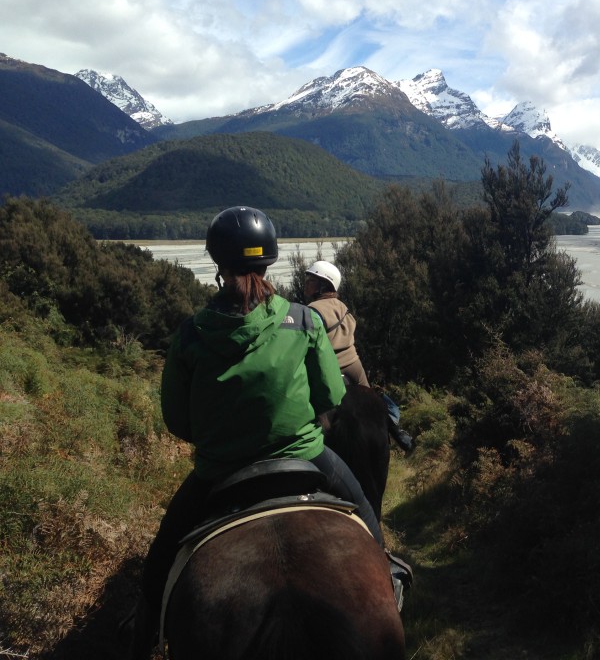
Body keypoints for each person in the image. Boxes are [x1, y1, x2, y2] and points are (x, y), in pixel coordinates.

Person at [129, 206, 409, 658]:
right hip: (307, 457)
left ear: (218, 264)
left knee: (159, 561)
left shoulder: (191, 336)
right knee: (366, 518)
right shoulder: (302, 320)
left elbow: (178, 422)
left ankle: (142, 637)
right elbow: (332, 396)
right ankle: (391, 576)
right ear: (269, 261)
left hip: (218, 472)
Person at [303, 259, 414, 453]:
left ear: (322, 285)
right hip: (354, 366)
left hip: (329, 369)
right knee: (374, 403)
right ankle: (397, 432)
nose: (306, 284)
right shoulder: (343, 307)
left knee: (308, 413)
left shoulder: (311, 311)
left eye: (311, 280)